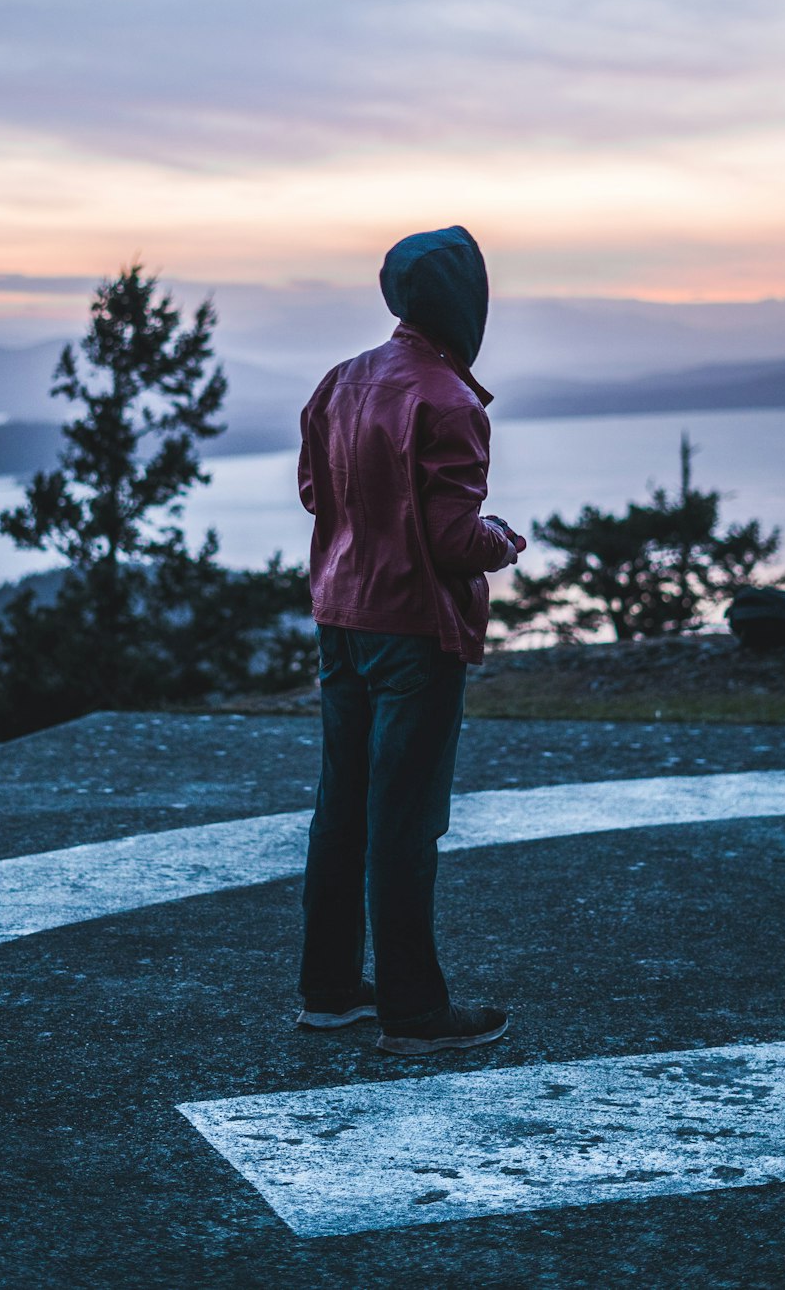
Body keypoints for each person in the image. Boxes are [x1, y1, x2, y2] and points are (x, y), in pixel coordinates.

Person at [295, 226, 525, 1056]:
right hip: (415, 632)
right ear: (466, 303)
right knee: (406, 821)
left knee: (342, 808)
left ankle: (328, 991)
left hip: (341, 618)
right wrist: (504, 538)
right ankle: (415, 1012)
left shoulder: (339, 381)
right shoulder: (449, 401)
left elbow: (316, 493)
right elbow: (455, 537)